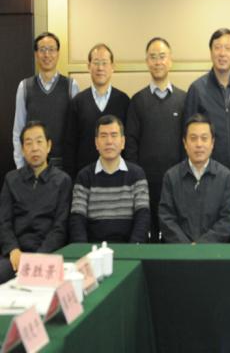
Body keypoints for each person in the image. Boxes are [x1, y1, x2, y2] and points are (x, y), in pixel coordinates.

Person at [125, 37, 186, 242]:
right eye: (153, 57)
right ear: (147, 62)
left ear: (171, 61)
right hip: (145, 183)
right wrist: (136, 179)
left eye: (162, 56)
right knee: (148, 235)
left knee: (174, 235)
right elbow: (131, 144)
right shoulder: (137, 100)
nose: (158, 62)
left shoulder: (183, 99)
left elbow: (187, 142)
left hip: (176, 182)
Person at [0, 121, 71, 284]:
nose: (34, 148)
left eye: (39, 141)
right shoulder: (11, 179)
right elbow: (4, 222)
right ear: (22, 149)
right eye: (29, 143)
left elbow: (60, 228)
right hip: (16, 255)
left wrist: (38, 258)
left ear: (49, 146)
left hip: (48, 254)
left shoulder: (62, 181)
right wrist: (13, 249)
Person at [184, 28, 230, 185]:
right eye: (217, 48)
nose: (222, 53)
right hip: (207, 176)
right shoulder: (197, 89)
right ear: (211, 52)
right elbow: (188, 135)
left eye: (227, 48)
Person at [69, 115, 150, 243]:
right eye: (103, 136)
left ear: (123, 142)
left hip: (129, 248)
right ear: (96, 143)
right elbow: (77, 219)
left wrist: (133, 248)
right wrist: (83, 249)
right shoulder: (84, 176)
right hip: (94, 249)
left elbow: (143, 216)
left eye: (114, 135)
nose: (109, 141)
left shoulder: (136, 175)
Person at [159, 114, 230, 243]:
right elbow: (166, 218)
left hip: (215, 251)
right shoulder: (171, 177)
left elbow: (227, 220)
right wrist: (187, 247)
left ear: (212, 143)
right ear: (185, 143)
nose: (199, 144)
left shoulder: (225, 177)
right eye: (193, 138)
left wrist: (201, 246)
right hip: (179, 250)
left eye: (204, 138)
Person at [12, 32, 79, 169]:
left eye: (51, 49)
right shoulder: (24, 87)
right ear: (36, 54)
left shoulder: (71, 86)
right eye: (42, 50)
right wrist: (20, 166)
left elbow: (77, 130)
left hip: (64, 165)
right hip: (33, 165)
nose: (47, 54)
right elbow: (18, 129)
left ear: (58, 53)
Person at [64, 43, 129, 177]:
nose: (100, 68)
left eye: (104, 63)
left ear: (112, 67)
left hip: (118, 177)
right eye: (96, 63)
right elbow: (70, 145)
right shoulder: (77, 102)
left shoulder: (124, 101)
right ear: (89, 66)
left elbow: (128, 144)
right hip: (85, 178)